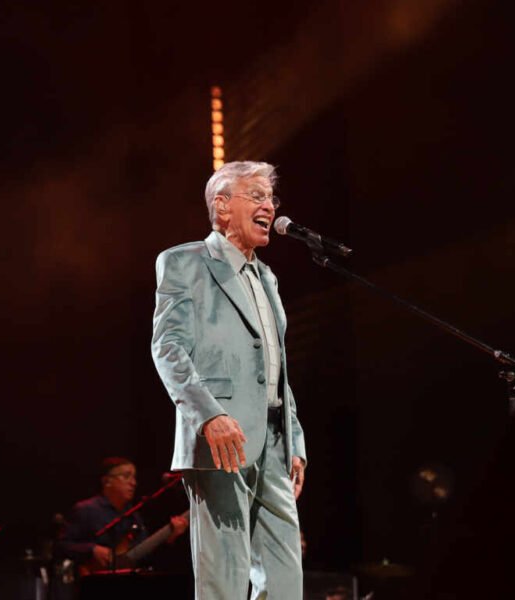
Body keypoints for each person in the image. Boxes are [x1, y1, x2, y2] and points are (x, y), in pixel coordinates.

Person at [151, 161, 307, 599]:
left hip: (274, 441)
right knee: (224, 577)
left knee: (285, 581)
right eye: (256, 196)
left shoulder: (267, 276)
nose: (269, 206)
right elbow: (168, 347)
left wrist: (295, 438)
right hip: (220, 438)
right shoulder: (184, 262)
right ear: (221, 207)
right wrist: (209, 415)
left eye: (271, 197)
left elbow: (276, 365)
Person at [56, 457, 187, 574]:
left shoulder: (134, 517)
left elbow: (144, 556)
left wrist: (170, 538)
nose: (133, 483)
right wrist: (92, 549)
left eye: (134, 477)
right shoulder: (86, 509)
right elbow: (61, 546)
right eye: (126, 476)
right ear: (107, 481)